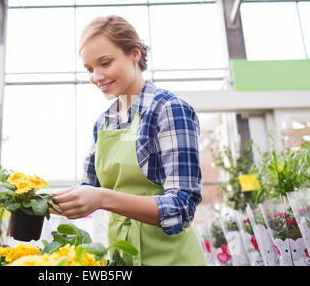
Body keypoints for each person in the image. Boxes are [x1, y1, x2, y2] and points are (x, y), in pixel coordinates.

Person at [52, 15, 207, 266]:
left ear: (134, 54)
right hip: (123, 258)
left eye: (105, 63)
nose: (96, 76)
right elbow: (87, 187)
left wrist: (103, 198)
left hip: (173, 259)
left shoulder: (169, 110)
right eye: (90, 69)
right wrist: (31, 200)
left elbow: (182, 207)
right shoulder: (104, 122)